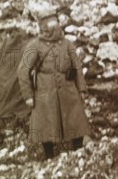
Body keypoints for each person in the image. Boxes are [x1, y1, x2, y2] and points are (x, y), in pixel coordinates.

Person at [18, 13, 91, 159]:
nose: (56, 28)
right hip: (45, 90)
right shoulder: (35, 45)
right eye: (51, 25)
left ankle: (77, 152)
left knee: (74, 119)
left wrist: (81, 89)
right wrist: (28, 96)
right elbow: (22, 70)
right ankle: (49, 154)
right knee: (47, 122)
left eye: (56, 24)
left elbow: (77, 66)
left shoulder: (67, 43)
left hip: (68, 88)